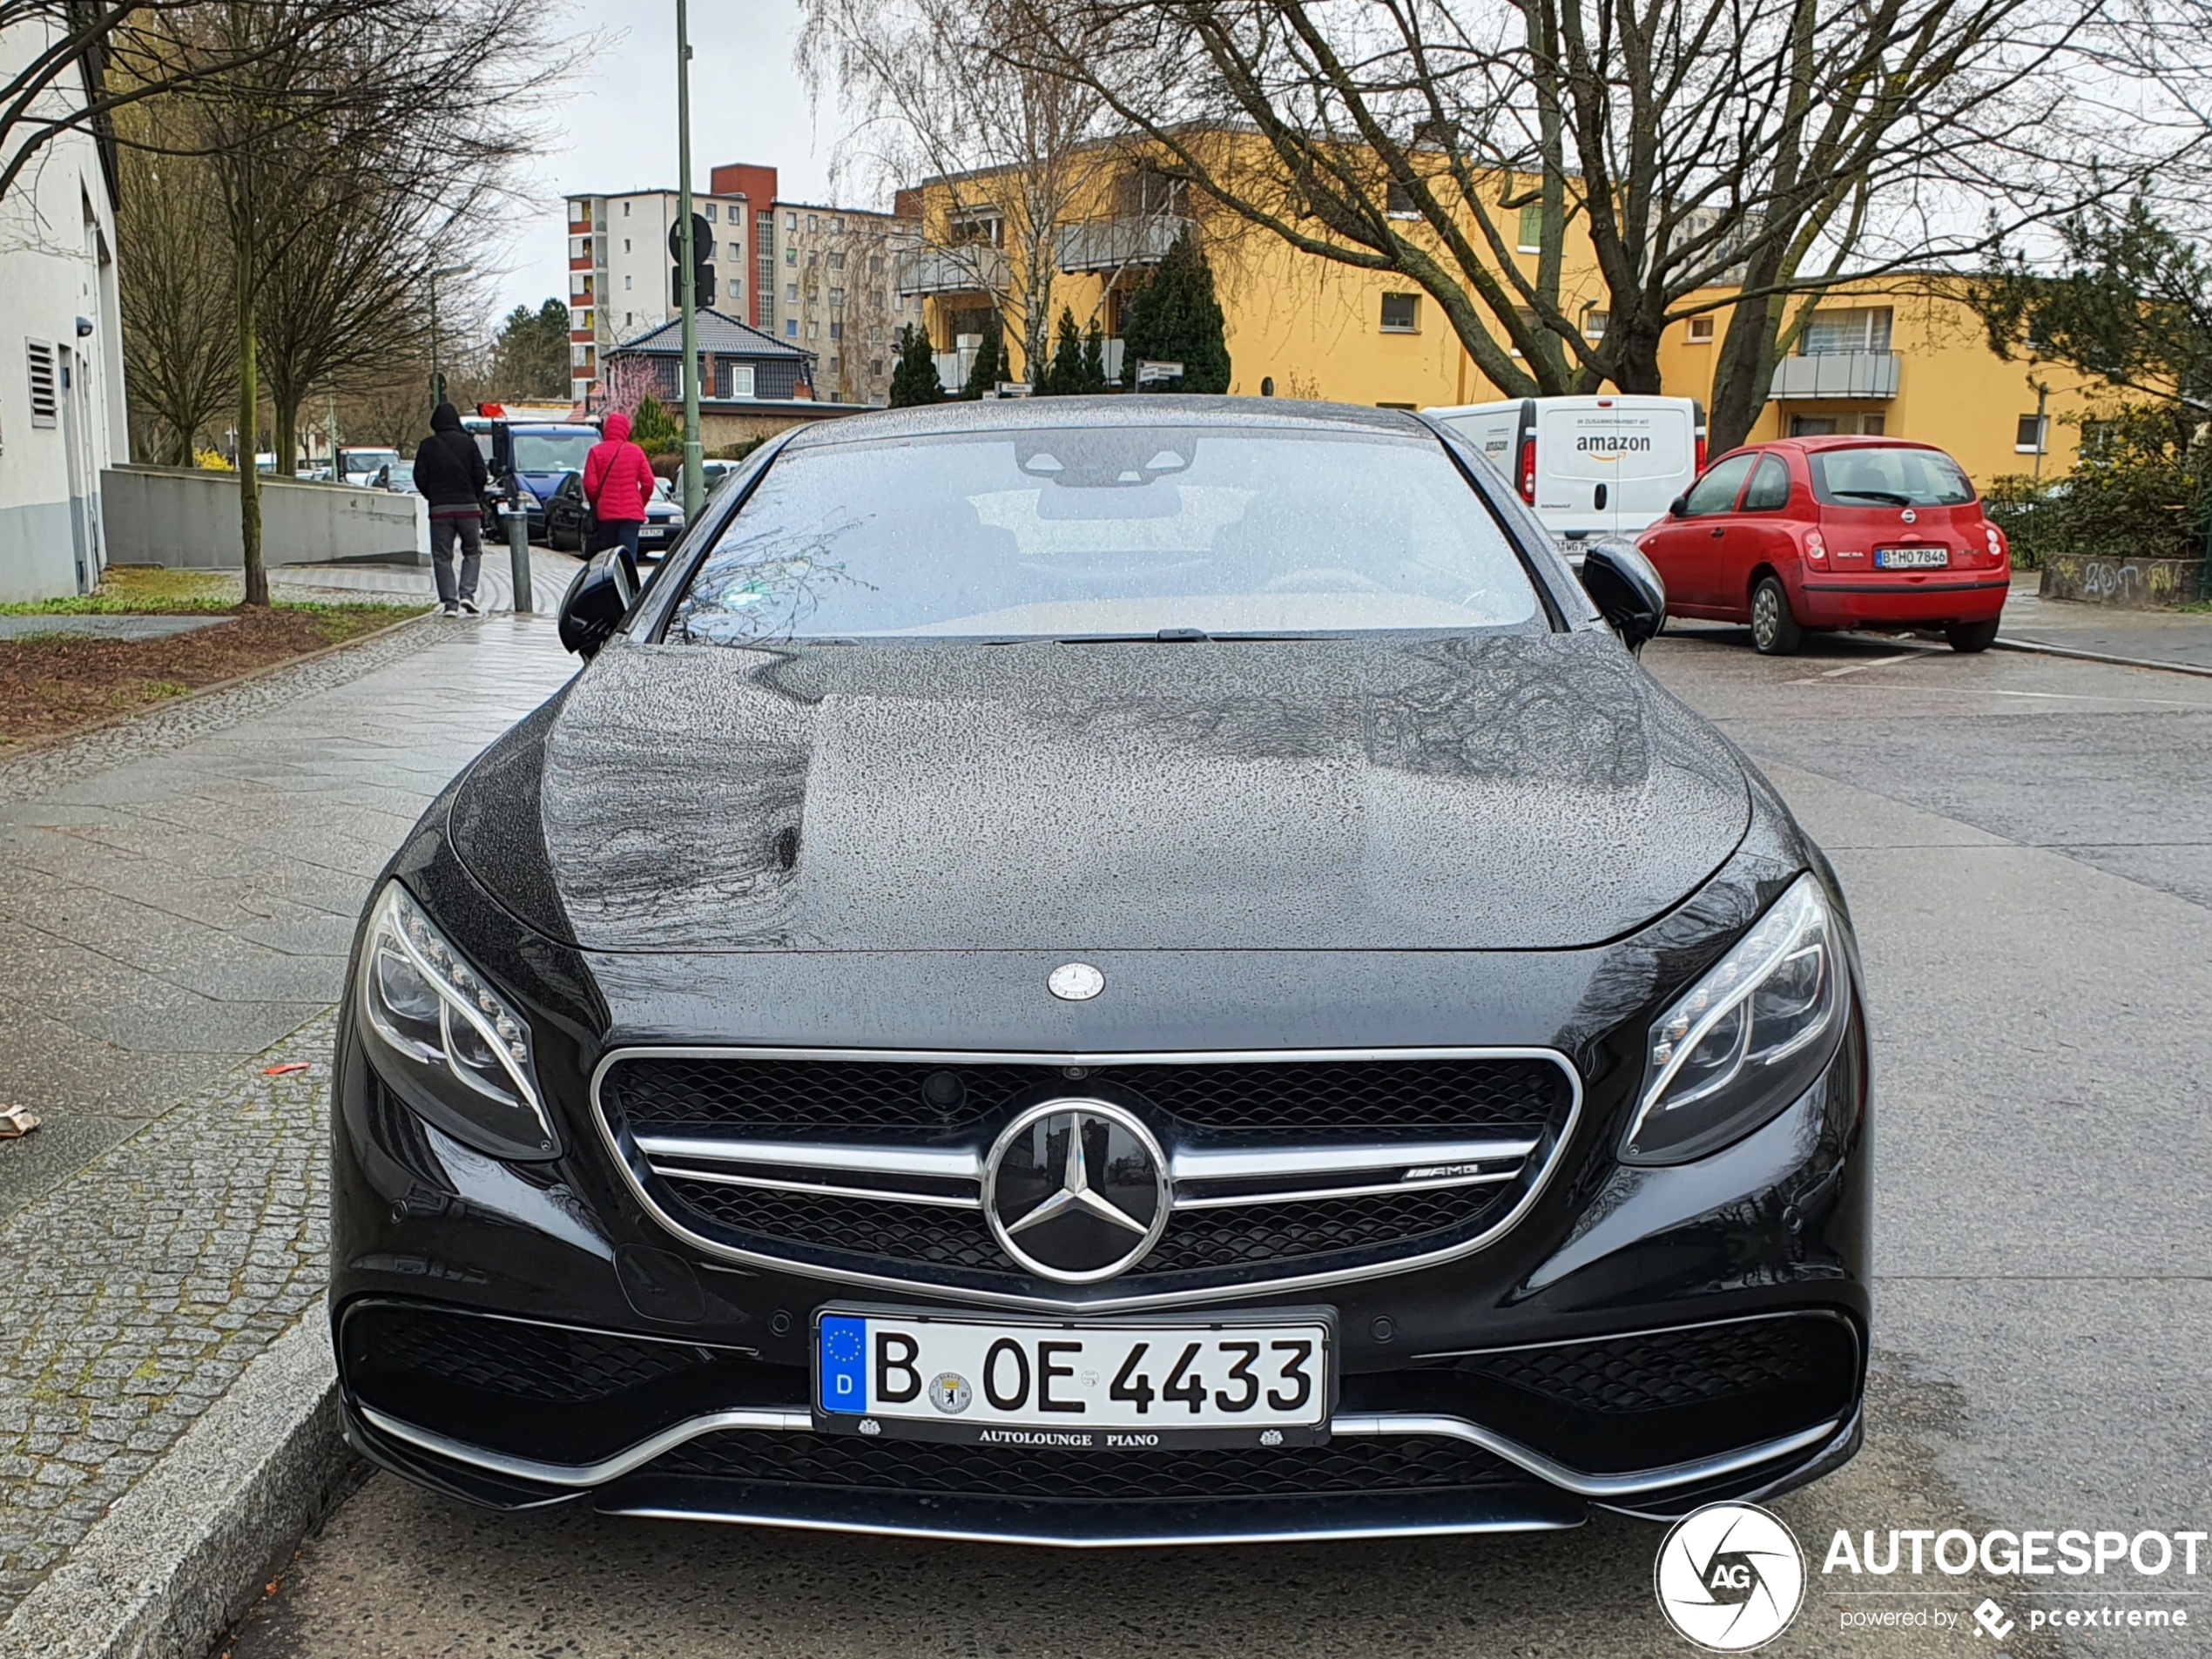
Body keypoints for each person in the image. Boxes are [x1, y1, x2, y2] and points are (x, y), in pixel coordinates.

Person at [413, 402, 489, 616]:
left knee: (442, 556)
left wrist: (434, 496)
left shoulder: (427, 446)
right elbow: (481, 474)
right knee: (472, 552)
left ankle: (450, 603)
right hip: (469, 509)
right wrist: (473, 495)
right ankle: (467, 594)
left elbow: (419, 477)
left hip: (440, 510)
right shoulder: (469, 444)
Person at [583, 411, 655, 563]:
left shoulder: (596, 452)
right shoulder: (636, 451)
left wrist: (599, 501)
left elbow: (590, 486)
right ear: (626, 430)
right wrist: (638, 504)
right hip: (631, 517)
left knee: (608, 559)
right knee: (628, 558)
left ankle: (610, 585)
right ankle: (629, 585)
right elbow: (648, 483)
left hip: (606, 516)